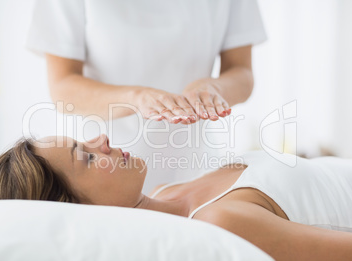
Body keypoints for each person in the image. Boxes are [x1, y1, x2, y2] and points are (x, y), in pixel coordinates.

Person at [0, 134, 352, 261]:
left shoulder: (166, 195)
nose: (102, 139)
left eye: (82, 140)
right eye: (86, 156)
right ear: (79, 210)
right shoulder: (221, 228)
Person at [26, 0, 267, 194]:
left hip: (198, 165)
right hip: (103, 185)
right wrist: (135, 98)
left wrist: (213, 90)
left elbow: (242, 72)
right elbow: (63, 86)